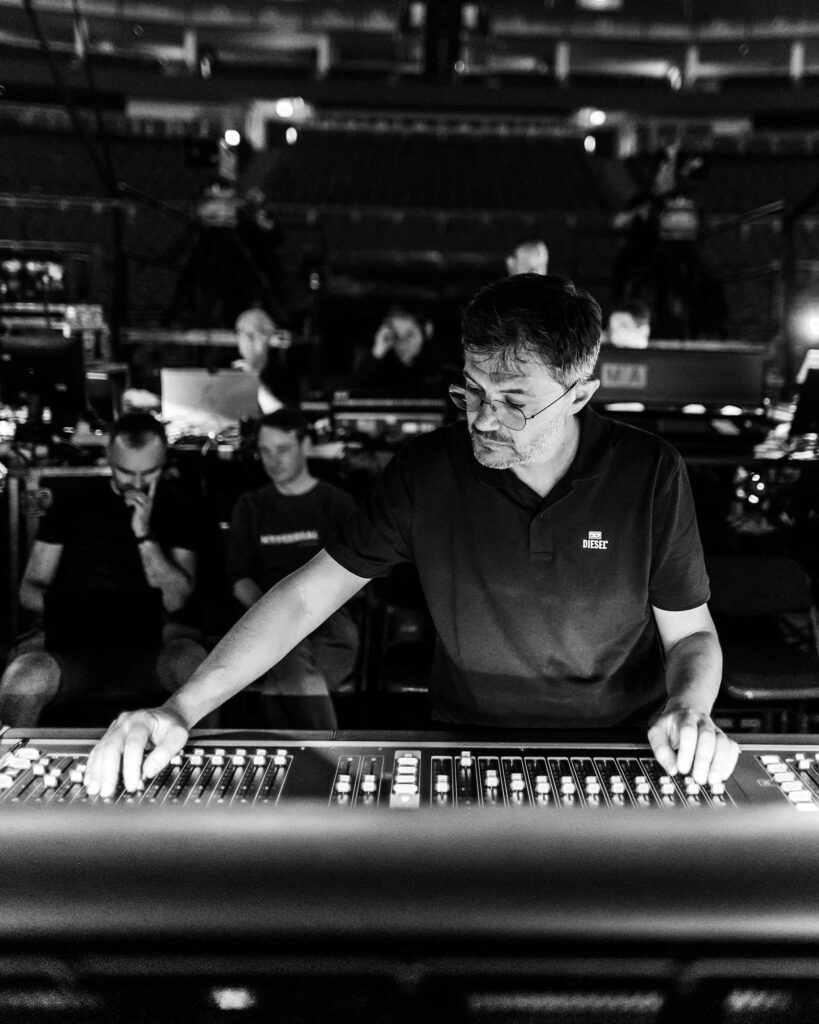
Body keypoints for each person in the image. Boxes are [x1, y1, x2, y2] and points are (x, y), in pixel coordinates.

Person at [84, 274, 738, 797]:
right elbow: (304, 598)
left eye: (513, 401)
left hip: (622, 744)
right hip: (464, 743)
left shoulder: (648, 471)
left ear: (579, 394)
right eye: (472, 391)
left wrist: (687, 709)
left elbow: (691, 634)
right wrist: (178, 710)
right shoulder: (428, 470)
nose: (483, 418)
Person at [0, 412, 207, 727]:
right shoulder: (73, 505)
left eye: (149, 472)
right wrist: (78, 614)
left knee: (195, 667)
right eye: (126, 472)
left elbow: (175, 599)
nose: (137, 483)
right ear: (109, 456)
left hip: (154, 646)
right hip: (72, 642)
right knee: (24, 678)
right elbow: (30, 588)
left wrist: (144, 535)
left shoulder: (180, 508)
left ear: (164, 460)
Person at [226, 408, 360, 729]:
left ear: (306, 446)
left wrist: (295, 618)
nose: (273, 460)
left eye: (282, 449)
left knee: (280, 669)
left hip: (329, 628)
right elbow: (239, 578)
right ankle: (326, 756)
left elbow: (353, 579)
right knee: (287, 662)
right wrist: (276, 614)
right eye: (265, 451)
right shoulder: (251, 506)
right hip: (265, 619)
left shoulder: (337, 504)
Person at [355, 304, 444, 393]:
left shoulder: (442, 369)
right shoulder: (381, 367)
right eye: (395, 336)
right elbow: (348, 395)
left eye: (409, 335)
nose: (402, 344)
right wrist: (377, 352)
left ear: (427, 330)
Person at [233, 307, 297, 411]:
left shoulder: (285, 378)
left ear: (270, 339)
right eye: (243, 332)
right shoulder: (226, 372)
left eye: (257, 332)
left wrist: (254, 380)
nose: (249, 339)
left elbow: (282, 419)